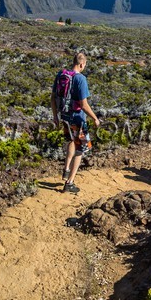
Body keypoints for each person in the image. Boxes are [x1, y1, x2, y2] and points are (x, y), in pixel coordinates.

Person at [52, 52, 100, 194]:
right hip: (77, 119)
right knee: (80, 150)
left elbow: (53, 97)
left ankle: (66, 169)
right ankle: (70, 183)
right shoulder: (81, 79)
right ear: (81, 64)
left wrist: (55, 116)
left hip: (64, 116)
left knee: (71, 142)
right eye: (84, 65)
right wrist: (95, 118)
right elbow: (83, 105)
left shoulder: (61, 74)